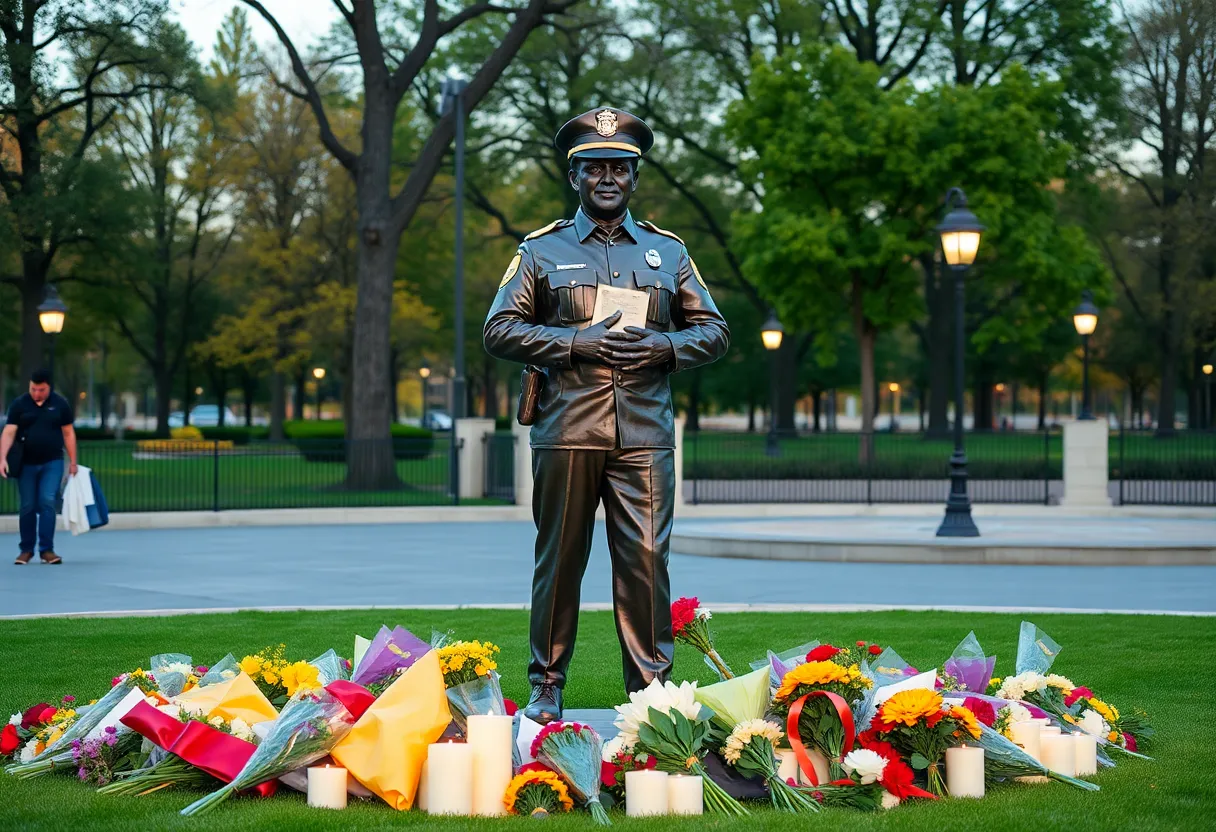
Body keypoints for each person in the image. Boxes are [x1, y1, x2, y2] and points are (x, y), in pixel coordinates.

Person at [484, 107, 730, 723]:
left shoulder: (668, 252)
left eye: (619, 168)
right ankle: (546, 685)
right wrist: (574, 342)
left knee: (647, 562)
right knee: (560, 560)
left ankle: (652, 694)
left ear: (635, 177)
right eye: (594, 168)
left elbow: (714, 330)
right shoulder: (541, 250)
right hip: (568, 427)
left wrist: (665, 346)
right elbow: (499, 328)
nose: (607, 178)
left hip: (644, 431)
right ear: (575, 177)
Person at [0, 369, 78, 565]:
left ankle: (46, 550)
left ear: (49, 387)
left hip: (52, 461)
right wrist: (2, 458)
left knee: (47, 501)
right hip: (26, 463)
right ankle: (26, 549)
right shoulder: (20, 404)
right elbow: (9, 432)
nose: (36, 394)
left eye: (41, 390)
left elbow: (68, 433)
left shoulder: (60, 404)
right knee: (27, 505)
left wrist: (73, 462)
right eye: (33, 389)